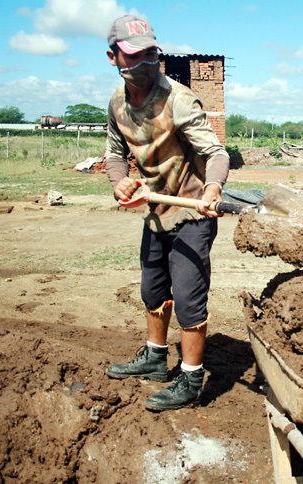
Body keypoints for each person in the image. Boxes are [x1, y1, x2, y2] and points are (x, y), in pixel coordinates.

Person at [102, 14, 229, 412]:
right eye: (136, 54)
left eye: (152, 52)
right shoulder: (117, 104)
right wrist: (119, 180)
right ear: (113, 57)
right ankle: (156, 358)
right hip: (156, 211)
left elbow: (216, 153)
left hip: (192, 213)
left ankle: (190, 379)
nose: (147, 60)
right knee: (152, 291)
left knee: (189, 299)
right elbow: (113, 153)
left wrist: (212, 188)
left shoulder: (178, 98)